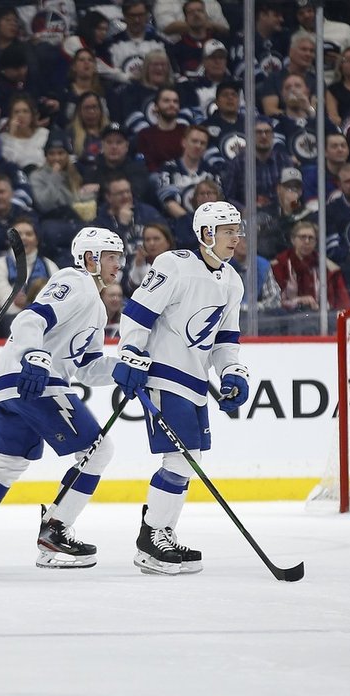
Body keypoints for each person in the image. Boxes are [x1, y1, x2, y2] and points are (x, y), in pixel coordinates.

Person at [0, 227, 125, 568]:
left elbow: (86, 368)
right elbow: (30, 317)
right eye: (111, 256)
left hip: (10, 382)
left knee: (8, 464)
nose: (119, 264)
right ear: (90, 258)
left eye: (119, 257)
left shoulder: (98, 309)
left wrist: (120, 370)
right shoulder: (75, 280)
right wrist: (34, 355)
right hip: (33, 379)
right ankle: (56, 529)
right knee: (99, 451)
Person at [114, 201, 249, 575]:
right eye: (228, 231)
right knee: (180, 458)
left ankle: (162, 534)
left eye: (238, 230)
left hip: (194, 381)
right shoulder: (174, 265)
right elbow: (138, 313)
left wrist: (232, 370)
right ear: (206, 234)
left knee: (190, 459)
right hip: (162, 373)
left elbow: (225, 339)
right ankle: (152, 539)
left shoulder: (232, 280)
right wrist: (129, 354)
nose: (236, 238)